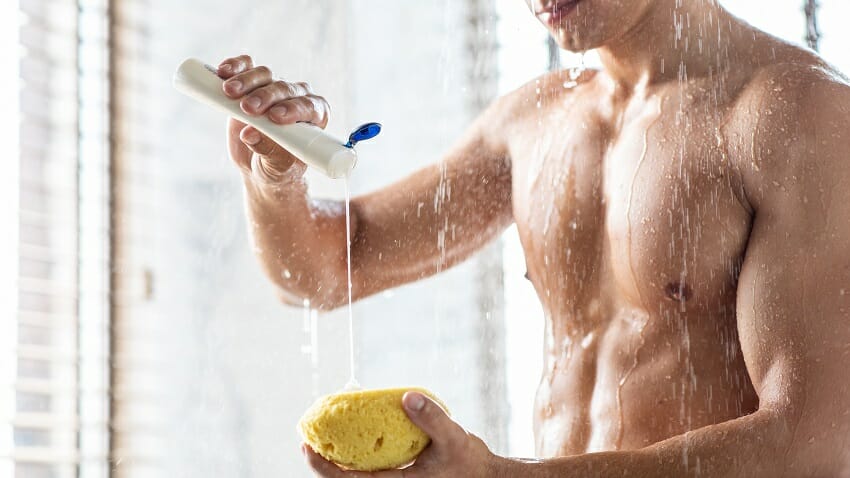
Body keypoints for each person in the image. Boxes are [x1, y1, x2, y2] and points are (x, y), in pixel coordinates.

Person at [216, 0, 850, 475]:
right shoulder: (536, 121)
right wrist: (276, 177)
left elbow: (816, 444)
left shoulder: (796, 116)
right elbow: (328, 267)